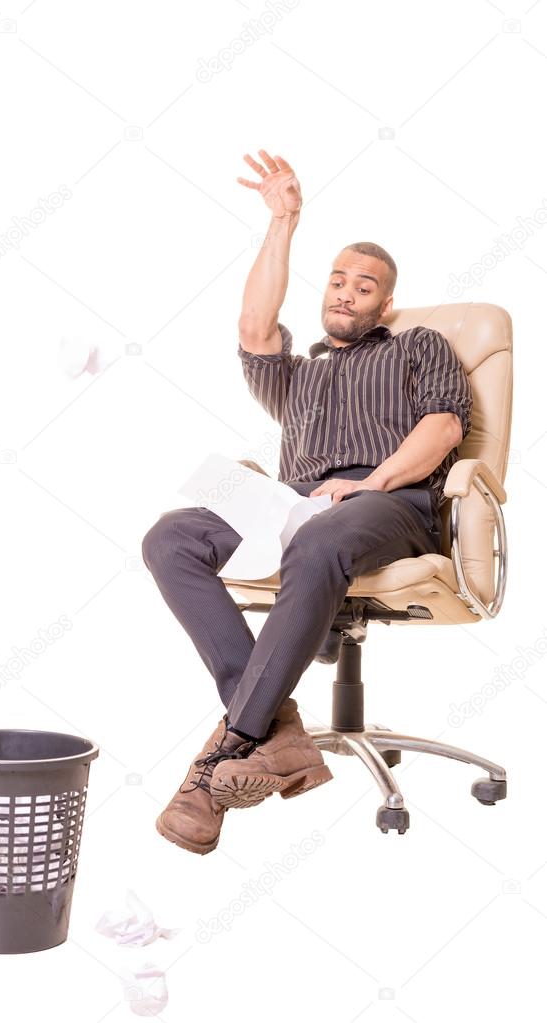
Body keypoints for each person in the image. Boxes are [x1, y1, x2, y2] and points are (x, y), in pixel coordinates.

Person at [142, 149, 473, 855]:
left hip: (390, 501)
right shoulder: (303, 375)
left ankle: (223, 756)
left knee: (319, 539)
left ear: (386, 302)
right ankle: (281, 728)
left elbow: (445, 425)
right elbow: (256, 328)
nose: (348, 293)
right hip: (292, 500)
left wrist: (371, 480)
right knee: (171, 537)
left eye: (366, 286)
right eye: (339, 280)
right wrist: (284, 220)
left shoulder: (418, 345)